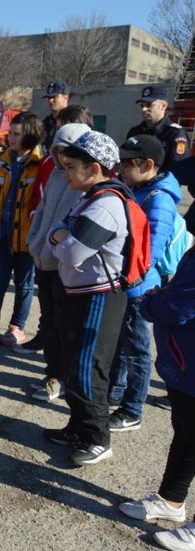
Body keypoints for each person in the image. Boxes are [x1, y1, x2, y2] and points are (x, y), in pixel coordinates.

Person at [44, 130, 129, 466]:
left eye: (70, 166)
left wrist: (60, 238)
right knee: (74, 363)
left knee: (87, 368)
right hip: (81, 293)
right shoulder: (88, 198)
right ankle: (78, 428)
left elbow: (72, 252)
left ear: (94, 168)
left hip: (100, 297)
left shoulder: (105, 205)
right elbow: (58, 233)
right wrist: (60, 237)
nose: (64, 172)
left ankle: (96, 438)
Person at [119, 247, 195, 550]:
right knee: (186, 434)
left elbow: (178, 306)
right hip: (185, 363)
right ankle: (171, 499)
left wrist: (150, 302)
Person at [107, 135, 181, 431]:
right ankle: (115, 389)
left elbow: (150, 251)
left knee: (137, 349)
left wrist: (127, 280)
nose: (121, 169)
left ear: (148, 165)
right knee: (121, 342)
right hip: (127, 280)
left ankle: (132, 409)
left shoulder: (158, 199)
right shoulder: (139, 188)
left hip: (139, 287)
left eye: (127, 164)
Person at [26, 120, 91, 402]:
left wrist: (59, 250)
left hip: (65, 265)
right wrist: (34, 240)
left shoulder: (86, 183)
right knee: (49, 322)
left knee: (66, 326)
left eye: (69, 151)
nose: (63, 157)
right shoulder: (54, 174)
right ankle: (53, 374)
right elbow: (40, 212)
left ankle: (65, 378)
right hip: (43, 260)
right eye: (59, 150)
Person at [0, 112, 42, 354]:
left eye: (16, 133)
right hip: (0, 236)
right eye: (9, 133)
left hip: (27, 240)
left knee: (24, 285)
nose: (9, 137)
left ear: (30, 135)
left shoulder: (41, 163)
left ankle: (16, 327)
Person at [127, 86, 190, 173]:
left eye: (149, 105)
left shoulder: (175, 133)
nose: (144, 109)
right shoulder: (135, 132)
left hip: (160, 185)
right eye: (142, 106)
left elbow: (177, 170)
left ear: (163, 106)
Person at [42, 81, 70, 149]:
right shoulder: (45, 124)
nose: (50, 100)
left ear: (65, 98)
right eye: (49, 97)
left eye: (54, 97)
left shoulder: (74, 121)